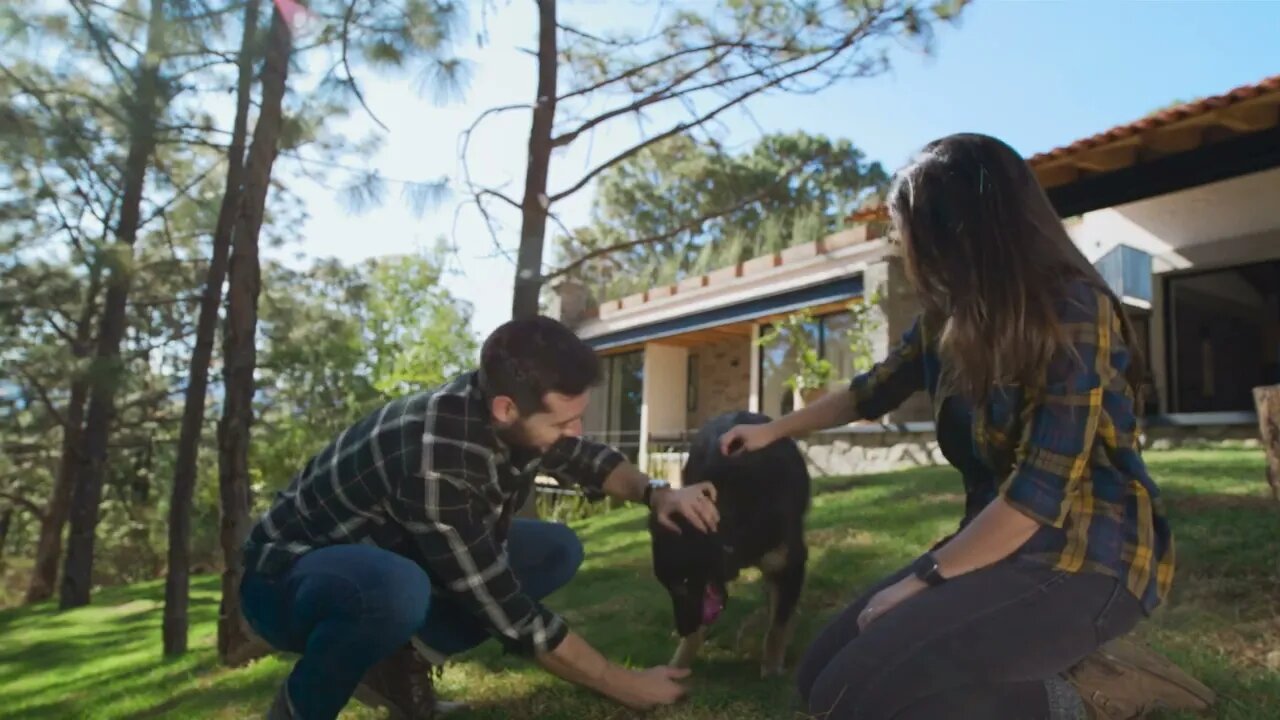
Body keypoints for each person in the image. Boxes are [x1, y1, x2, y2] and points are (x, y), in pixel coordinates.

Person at [719, 133, 1205, 720]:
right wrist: (774, 431)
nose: (899, 246)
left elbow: (1037, 493)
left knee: (858, 700)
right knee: (822, 675)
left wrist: (923, 579)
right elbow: (869, 391)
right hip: (993, 545)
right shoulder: (945, 320)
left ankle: (1094, 700)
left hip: (1086, 555)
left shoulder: (1072, 308)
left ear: (954, 232)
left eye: (903, 232)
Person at [241, 315, 719, 720]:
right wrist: (625, 684)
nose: (576, 431)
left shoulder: (504, 418)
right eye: (562, 422)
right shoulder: (438, 458)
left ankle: (394, 666)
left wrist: (658, 495)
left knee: (555, 550)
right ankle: (299, 707)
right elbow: (506, 610)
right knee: (397, 588)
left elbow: (585, 458)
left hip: (380, 557)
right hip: (284, 581)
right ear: (506, 409)